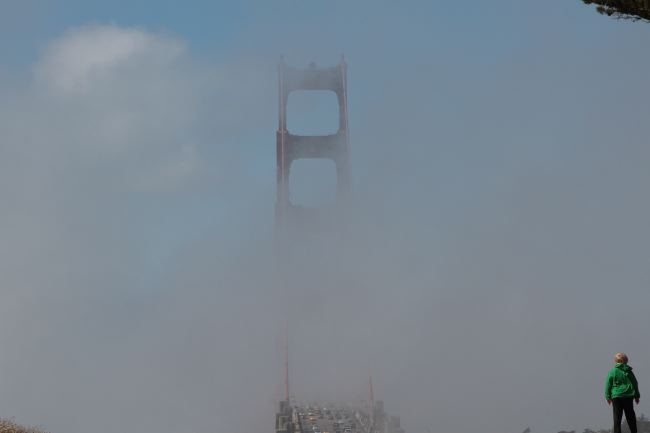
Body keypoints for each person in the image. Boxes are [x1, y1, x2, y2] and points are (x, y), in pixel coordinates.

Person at [605, 352, 641, 433]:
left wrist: (608, 396)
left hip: (616, 396)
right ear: (626, 361)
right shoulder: (628, 371)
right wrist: (637, 396)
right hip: (628, 396)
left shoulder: (612, 371)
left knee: (617, 418)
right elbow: (635, 383)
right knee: (630, 417)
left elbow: (608, 384)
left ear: (615, 361)